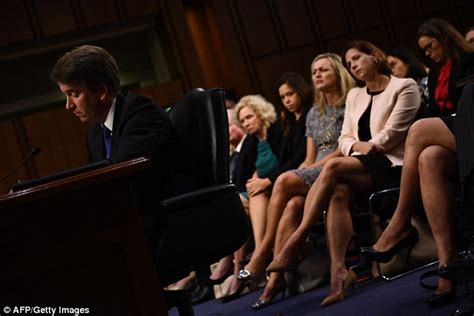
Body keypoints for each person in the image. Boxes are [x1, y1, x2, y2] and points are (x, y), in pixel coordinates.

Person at [266, 40, 421, 308]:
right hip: (360, 165)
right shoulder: (355, 96)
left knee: (333, 166)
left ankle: (297, 239)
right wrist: (359, 145)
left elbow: (391, 135)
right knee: (337, 193)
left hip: (393, 166)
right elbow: (345, 137)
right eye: (349, 63)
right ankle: (338, 274)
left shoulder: (404, 86)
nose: (354, 66)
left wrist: (363, 145)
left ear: (374, 55)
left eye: (358, 58)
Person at [50, 45, 194, 278]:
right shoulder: (95, 134)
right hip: (132, 223)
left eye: (74, 94)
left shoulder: (140, 113)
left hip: (169, 219)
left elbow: (118, 176)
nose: (68, 105)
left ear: (101, 91)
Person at [363, 18, 474, 308]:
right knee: (428, 158)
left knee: (419, 129)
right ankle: (446, 271)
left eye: (430, 46)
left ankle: (400, 224)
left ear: (445, 38)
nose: (426, 53)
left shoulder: (469, 61)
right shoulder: (437, 74)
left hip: (469, 129)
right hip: (452, 141)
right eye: (422, 49)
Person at [237, 54, 355, 309]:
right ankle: (274, 281)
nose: (317, 75)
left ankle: (263, 252)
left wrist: (305, 171)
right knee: (291, 205)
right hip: (316, 169)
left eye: (323, 70)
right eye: (314, 72)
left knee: (283, 180)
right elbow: (309, 157)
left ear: (338, 72)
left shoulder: (351, 101)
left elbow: (344, 145)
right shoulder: (315, 112)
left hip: (342, 164)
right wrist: (305, 170)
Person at [220, 94, 282, 301]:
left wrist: (265, 181)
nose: (246, 123)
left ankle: (254, 259)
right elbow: (245, 175)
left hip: (278, 184)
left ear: (261, 113)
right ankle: (252, 260)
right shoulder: (251, 142)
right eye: (243, 120)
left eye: (249, 117)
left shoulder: (277, 131)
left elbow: (291, 161)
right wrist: (255, 182)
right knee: (236, 202)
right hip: (258, 190)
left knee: (242, 201)